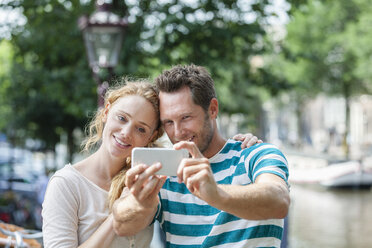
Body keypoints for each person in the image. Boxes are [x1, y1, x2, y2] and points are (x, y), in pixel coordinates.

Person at [42, 79, 261, 248]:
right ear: (106, 113)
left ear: (151, 137)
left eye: (141, 129)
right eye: (122, 118)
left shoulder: (152, 177)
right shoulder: (67, 184)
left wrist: (237, 144)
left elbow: (205, 155)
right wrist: (119, 212)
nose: (126, 133)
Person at [112, 65, 290, 247]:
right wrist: (140, 203)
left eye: (186, 117)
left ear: (212, 109)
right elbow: (121, 225)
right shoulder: (165, 172)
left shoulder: (256, 154)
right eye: (168, 122)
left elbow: (279, 200)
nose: (178, 132)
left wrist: (216, 193)